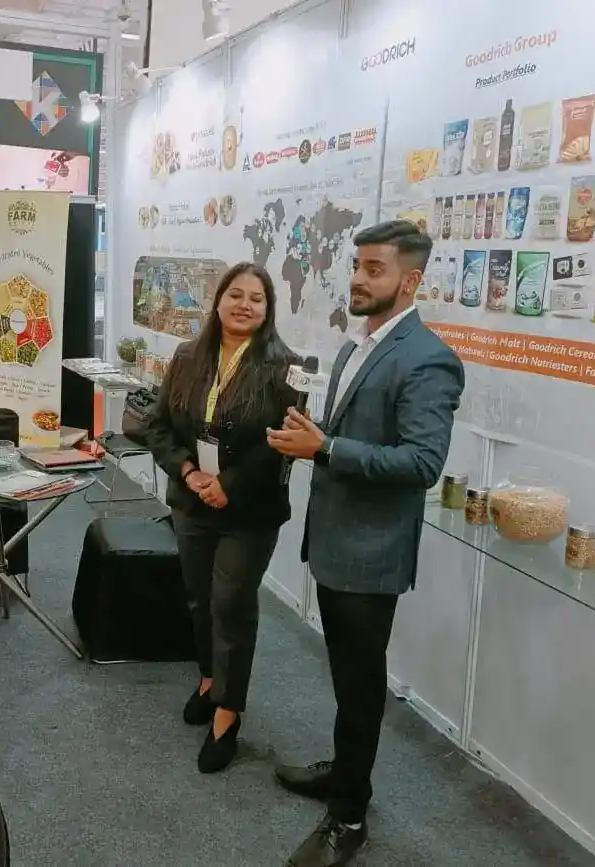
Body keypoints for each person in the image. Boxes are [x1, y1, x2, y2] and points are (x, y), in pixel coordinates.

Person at [267, 220, 465, 867]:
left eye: (373, 268)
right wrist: (315, 433)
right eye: (357, 264)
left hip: (371, 554)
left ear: (409, 280)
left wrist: (325, 446)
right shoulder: (360, 346)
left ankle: (348, 816)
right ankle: (347, 773)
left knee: (359, 684)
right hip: (335, 542)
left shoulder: (428, 357)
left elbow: (420, 464)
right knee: (347, 676)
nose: (357, 277)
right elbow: (358, 437)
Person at [146, 262, 298, 774]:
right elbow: (160, 426)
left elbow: (281, 447)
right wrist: (190, 474)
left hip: (249, 511)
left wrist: (225, 485)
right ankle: (210, 679)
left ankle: (228, 715)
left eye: (257, 298)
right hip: (192, 499)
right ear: (218, 301)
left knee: (231, 604)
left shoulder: (284, 368)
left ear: (268, 309)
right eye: (236, 294)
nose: (244, 305)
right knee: (197, 597)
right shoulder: (189, 356)